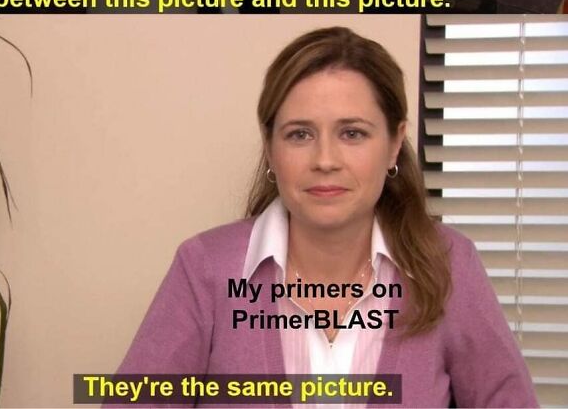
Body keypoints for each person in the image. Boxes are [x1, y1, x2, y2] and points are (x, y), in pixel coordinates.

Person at [116, 27, 537, 408]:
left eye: (352, 133)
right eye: (300, 134)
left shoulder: (449, 262)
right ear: (270, 147)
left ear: (393, 145)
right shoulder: (204, 267)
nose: (325, 160)